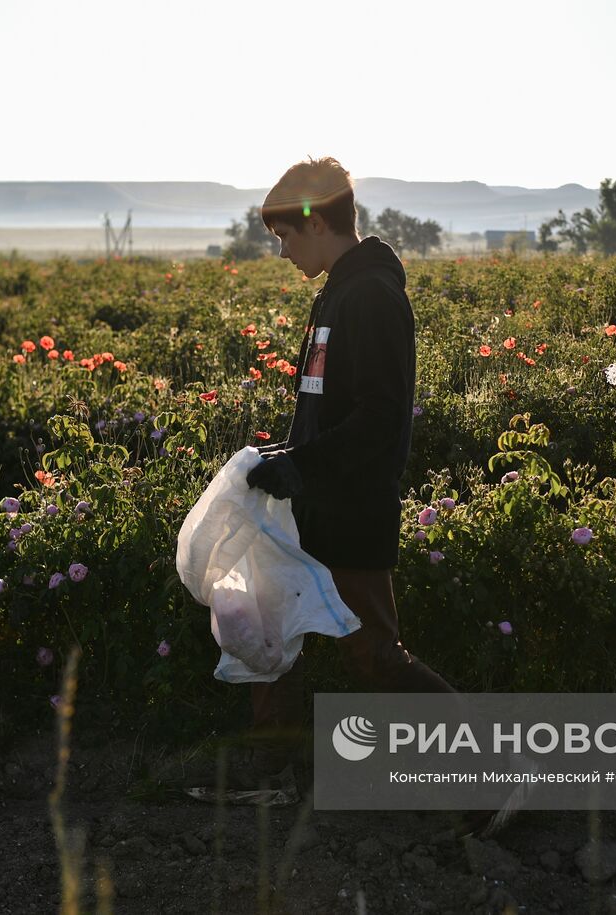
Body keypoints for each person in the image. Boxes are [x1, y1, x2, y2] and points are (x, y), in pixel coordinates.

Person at [225, 157, 457, 789]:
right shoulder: (336, 291)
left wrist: (303, 464)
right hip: (316, 501)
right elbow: (328, 403)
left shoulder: (372, 296)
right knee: (269, 627)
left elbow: (381, 416)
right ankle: (269, 770)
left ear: (317, 221)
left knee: (372, 654)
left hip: (353, 506)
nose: (281, 253)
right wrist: (287, 458)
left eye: (284, 238)